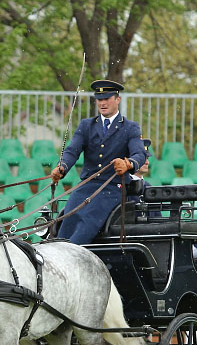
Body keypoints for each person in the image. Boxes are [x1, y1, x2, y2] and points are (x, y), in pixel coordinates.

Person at [51, 79, 147, 244]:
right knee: (68, 217)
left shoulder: (130, 128)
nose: (102, 103)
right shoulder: (86, 125)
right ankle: (58, 251)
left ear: (118, 99)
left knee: (89, 218)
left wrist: (128, 164)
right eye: (99, 99)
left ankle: (74, 252)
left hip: (113, 187)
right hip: (87, 185)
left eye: (107, 98)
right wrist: (62, 167)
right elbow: (72, 151)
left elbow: (139, 154)